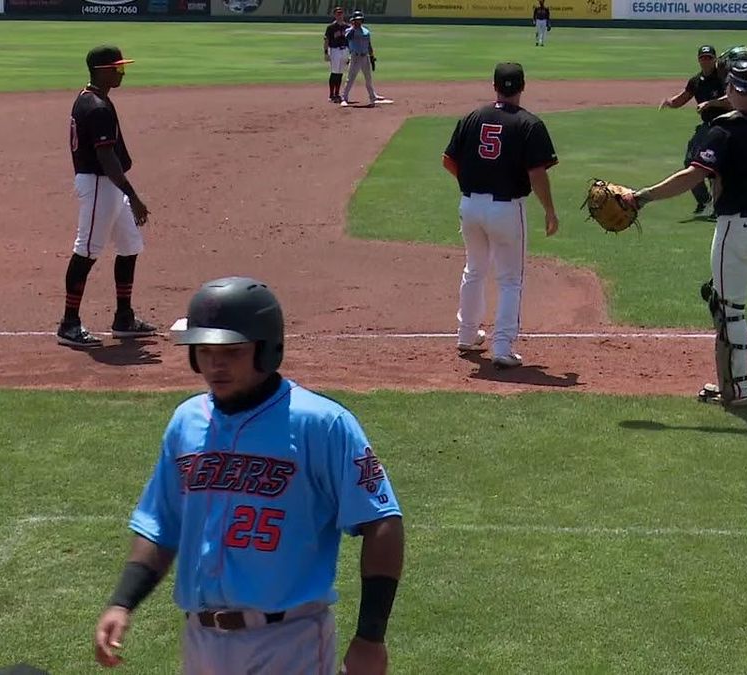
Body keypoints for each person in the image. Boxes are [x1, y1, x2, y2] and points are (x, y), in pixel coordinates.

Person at [91, 276, 406, 674]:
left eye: (231, 353)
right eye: (203, 352)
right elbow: (160, 525)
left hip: (288, 643)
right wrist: (123, 602)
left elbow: (381, 521)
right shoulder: (187, 422)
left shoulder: (321, 424)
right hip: (201, 641)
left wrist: (370, 638)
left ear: (265, 350)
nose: (215, 365)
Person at [624, 51, 747, 406]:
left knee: (730, 310)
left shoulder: (724, 132)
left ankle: (738, 389)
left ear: (731, 87)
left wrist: (642, 197)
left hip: (737, 228)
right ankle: (732, 382)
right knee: (721, 298)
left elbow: (692, 176)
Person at [441, 63, 559, 369]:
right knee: (510, 280)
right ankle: (503, 347)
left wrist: (471, 187)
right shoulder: (529, 124)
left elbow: (448, 160)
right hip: (507, 209)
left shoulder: (472, 118)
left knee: (474, 270)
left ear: (494, 85)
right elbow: (537, 173)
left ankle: (466, 335)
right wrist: (549, 210)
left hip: (469, 206)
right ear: (522, 86)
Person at [58, 45, 155, 349]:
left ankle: (123, 319)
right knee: (86, 250)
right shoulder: (96, 107)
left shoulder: (93, 99)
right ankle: (69, 324)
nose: (122, 73)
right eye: (117, 68)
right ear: (101, 70)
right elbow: (107, 158)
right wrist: (133, 195)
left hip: (108, 184)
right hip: (100, 183)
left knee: (129, 246)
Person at [657, 44, 727, 216]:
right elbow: (683, 98)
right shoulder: (695, 81)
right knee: (690, 162)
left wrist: (711, 103)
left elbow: (733, 99)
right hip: (707, 126)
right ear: (698, 60)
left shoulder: (723, 78)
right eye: (703, 58)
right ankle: (704, 201)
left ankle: (718, 206)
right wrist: (670, 102)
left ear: (715, 59)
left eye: (709, 58)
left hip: (725, 125)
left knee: (716, 166)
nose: (706, 61)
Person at [340, 11, 391, 107]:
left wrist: (372, 57)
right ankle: (344, 98)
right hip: (355, 57)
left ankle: (373, 97)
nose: (358, 22)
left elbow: (369, 45)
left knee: (368, 78)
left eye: (360, 20)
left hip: (365, 57)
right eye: (356, 20)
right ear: (353, 21)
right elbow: (347, 38)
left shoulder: (366, 31)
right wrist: (353, 27)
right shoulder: (349, 30)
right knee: (350, 78)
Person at [323, 6, 349, 103]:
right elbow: (326, 40)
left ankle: (337, 93)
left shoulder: (347, 27)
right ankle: (331, 94)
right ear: (334, 15)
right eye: (337, 13)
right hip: (334, 50)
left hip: (345, 50)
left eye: (341, 13)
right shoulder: (331, 27)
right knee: (334, 72)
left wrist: (349, 53)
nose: (339, 15)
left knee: (340, 72)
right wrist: (326, 53)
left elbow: (350, 41)